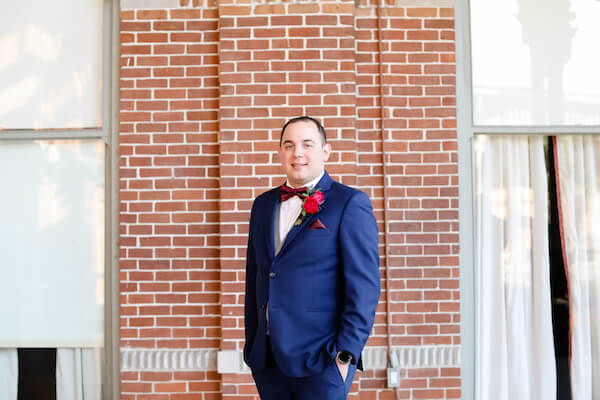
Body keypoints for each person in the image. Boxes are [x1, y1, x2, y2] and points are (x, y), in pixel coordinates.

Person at [244, 116, 381, 399]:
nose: (298, 153)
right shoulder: (263, 205)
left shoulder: (349, 203)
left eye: (307, 144)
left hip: (322, 361)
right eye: (289, 145)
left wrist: (344, 357)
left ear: (325, 151)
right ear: (280, 152)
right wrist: (253, 344)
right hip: (268, 362)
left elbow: (364, 289)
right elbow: (255, 277)